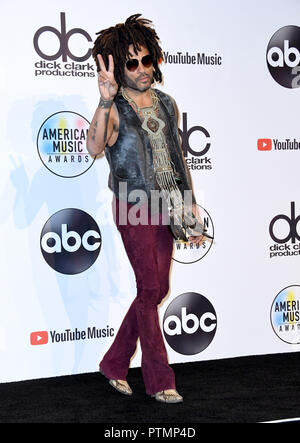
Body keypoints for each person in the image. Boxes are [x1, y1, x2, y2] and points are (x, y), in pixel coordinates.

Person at [86, 14, 205, 403]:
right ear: (119, 68)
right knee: (149, 287)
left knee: (159, 289)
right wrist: (104, 101)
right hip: (134, 205)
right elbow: (94, 147)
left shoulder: (166, 103)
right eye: (132, 63)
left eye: (147, 59)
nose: (142, 69)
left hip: (167, 203)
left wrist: (188, 205)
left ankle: (114, 363)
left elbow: (178, 156)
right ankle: (160, 379)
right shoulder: (114, 107)